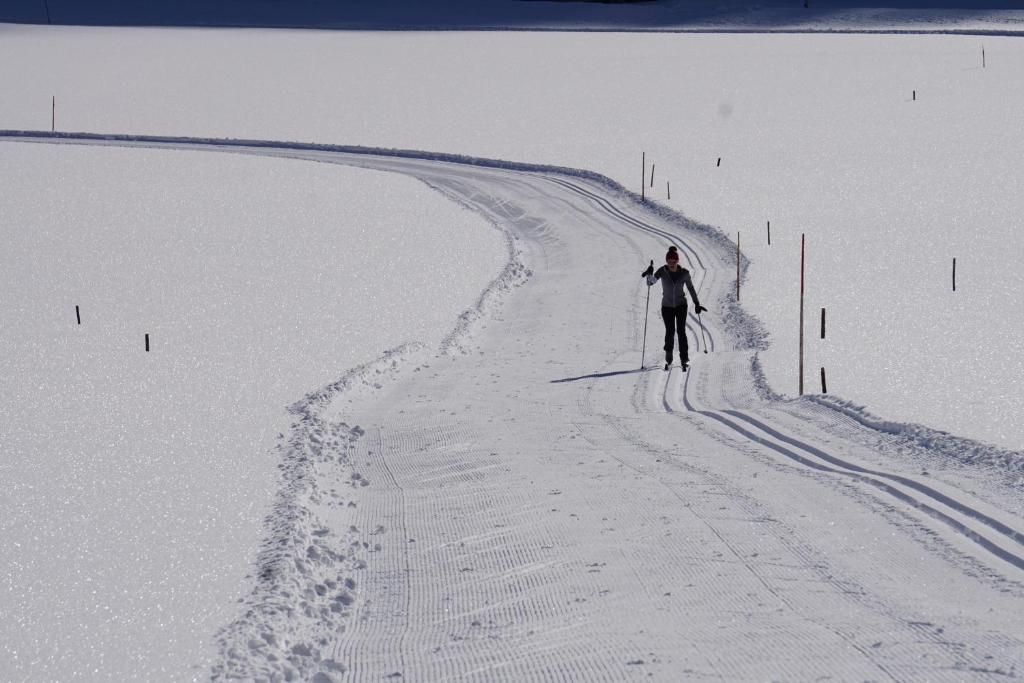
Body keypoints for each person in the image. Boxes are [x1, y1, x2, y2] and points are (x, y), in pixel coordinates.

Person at [643, 246, 706, 370]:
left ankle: (684, 358)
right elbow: (650, 283)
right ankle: (669, 354)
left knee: (681, 331)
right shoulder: (662, 271)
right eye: (669, 261)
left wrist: (697, 303)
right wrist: (649, 274)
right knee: (670, 331)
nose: (672, 263)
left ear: (677, 261)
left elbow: (691, 288)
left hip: (681, 305)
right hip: (666, 306)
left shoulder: (684, 273)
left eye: (674, 261)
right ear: (667, 261)